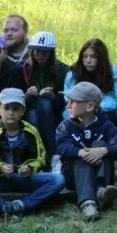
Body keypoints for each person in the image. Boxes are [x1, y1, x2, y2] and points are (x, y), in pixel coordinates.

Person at [0, 88, 65, 215]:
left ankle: (24, 204)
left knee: (59, 180)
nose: (11, 113)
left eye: (16, 109)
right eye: (6, 108)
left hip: (24, 179)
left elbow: (41, 158)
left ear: (23, 110)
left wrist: (30, 167)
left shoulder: (31, 131)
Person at [55, 82, 117, 221]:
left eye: (73, 101)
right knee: (81, 159)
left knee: (101, 144)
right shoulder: (65, 126)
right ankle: (88, 204)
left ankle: (101, 191)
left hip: (102, 175)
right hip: (74, 175)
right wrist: (82, 153)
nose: (68, 105)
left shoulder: (106, 126)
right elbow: (62, 147)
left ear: (90, 106)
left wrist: (103, 150)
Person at [21, 31, 69, 169]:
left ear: (51, 53)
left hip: (53, 112)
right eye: (37, 51)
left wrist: (54, 97)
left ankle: (50, 156)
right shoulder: (24, 69)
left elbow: (66, 98)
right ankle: (41, 157)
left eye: (45, 52)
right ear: (32, 51)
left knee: (44, 104)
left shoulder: (62, 70)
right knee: (34, 115)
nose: (41, 55)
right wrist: (27, 95)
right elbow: (16, 97)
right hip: (28, 110)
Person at [62, 38, 117, 130]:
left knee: (107, 119)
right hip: (79, 110)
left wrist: (93, 106)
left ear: (101, 58)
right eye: (85, 57)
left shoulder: (115, 74)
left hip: (104, 111)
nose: (88, 60)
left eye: (93, 57)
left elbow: (115, 100)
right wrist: (84, 106)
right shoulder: (74, 74)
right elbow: (68, 96)